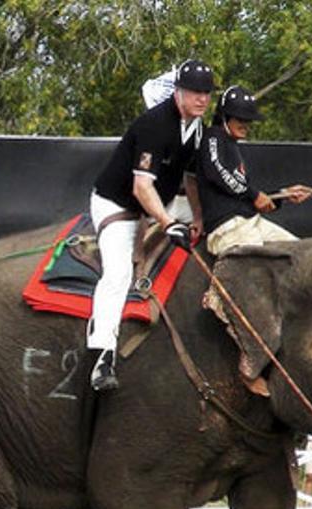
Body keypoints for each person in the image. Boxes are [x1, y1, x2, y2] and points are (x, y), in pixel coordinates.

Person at [87, 59, 215, 391]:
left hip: (160, 202)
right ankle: (102, 358)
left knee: (216, 218)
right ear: (178, 92)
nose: (202, 99)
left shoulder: (196, 128)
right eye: (194, 92)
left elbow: (190, 179)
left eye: (206, 93)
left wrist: (198, 217)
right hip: (118, 205)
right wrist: (170, 222)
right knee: (118, 275)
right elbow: (140, 188)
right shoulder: (155, 125)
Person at [197, 84, 312, 256]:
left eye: (248, 120)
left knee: (302, 256)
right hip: (228, 228)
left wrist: (283, 195)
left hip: (251, 221)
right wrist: (254, 195)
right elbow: (217, 172)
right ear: (224, 117)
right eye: (241, 119)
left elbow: (245, 194)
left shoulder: (232, 145)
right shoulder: (212, 137)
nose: (246, 125)